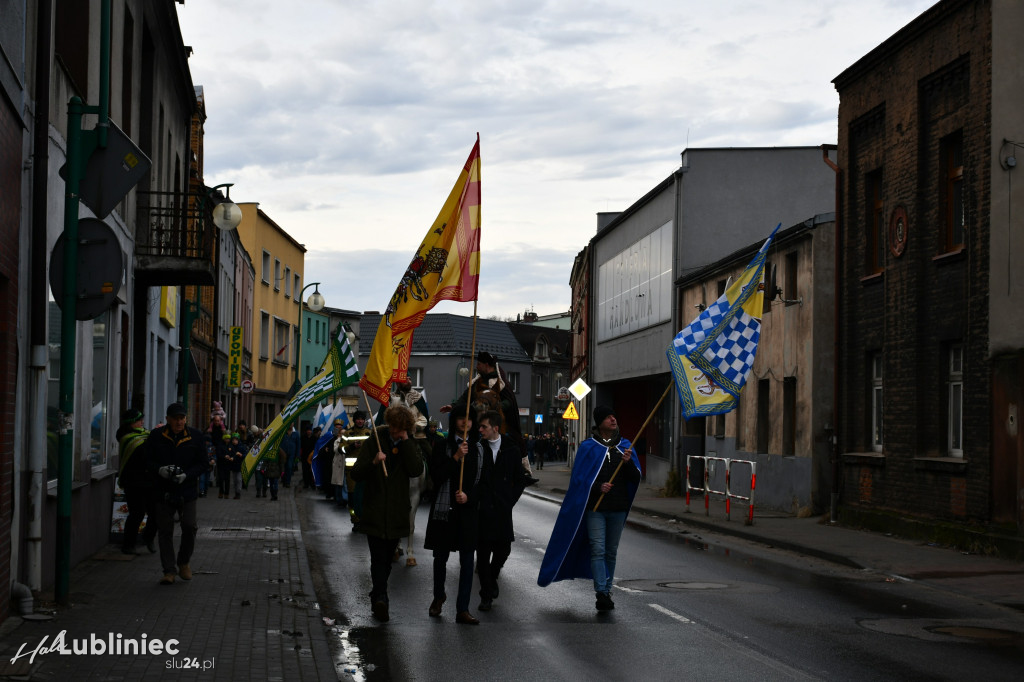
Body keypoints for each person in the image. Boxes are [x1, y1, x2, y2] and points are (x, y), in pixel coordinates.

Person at [537, 405, 641, 611]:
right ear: (599, 422)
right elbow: (579, 480)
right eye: (608, 417)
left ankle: (607, 589)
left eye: (614, 416)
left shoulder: (626, 446)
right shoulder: (588, 447)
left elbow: (635, 478)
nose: (613, 419)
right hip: (596, 508)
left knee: (610, 551)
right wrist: (597, 486)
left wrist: (628, 463)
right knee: (598, 549)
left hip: (618, 507)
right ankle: (601, 592)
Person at [350, 405, 424, 622]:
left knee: (387, 560)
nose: (393, 431)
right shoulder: (377, 437)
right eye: (392, 426)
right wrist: (373, 461)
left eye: (398, 429)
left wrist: (406, 441)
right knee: (377, 558)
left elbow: (416, 469)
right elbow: (356, 472)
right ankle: (381, 597)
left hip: (397, 512)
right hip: (375, 509)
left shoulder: (408, 441)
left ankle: (378, 592)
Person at [425, 405, 483, 624]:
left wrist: (469, 497)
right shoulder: (442, 445)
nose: (465, 423)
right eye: (461, 418)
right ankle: (438, 597)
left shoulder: (478, 448)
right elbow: (436, 477)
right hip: (444, 512)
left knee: (467, 561)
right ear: (454, 421)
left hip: (467, 512)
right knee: (440, 558)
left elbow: (482, 483)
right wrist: (456, 458)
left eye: (469, 419)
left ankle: (463, 608)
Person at [146, 401, 208, 585]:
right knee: (165, 531)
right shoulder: (156, 436)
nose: (179, 422)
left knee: (189, 526)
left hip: (187, 490)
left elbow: (203, 463)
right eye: (175, 419)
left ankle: (184, 562)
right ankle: (169, 571)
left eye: (182, 418)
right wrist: (159, 470)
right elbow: (147, 460)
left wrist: (187, 475)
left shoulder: (195, 436)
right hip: (163, 491)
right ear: (168, 419)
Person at [475, 409, 531, 612]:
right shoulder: (478, 448)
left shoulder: (510, 449)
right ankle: (486, 595)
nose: (480, 430)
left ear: (495, 429)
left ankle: (492, 574)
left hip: (503, 509)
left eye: (484, 427)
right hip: (483, 509)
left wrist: (510, 500)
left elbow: (520, 479)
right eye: (479, 426)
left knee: (503, 550)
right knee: (482, 554)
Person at [116, 408, 157, 555]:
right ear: (131, 423)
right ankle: (128, 544)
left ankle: (148, 537)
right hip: (133, 482)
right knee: (136, 514)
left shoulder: (146, 434)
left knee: (156, 513)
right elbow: (144, 453)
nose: (142, 423)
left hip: (150, 481)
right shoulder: (126, 437)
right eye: (139, 420)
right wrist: (155, 436)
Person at [343, 411, 372, 527]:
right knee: (352, 498)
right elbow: (341, 450)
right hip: (351, 472)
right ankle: (355, 520)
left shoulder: (370, 433)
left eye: (362, 419)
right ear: (354, 420)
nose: (360, 421)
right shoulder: (347, 434)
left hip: (366, 471)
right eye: (358, 419)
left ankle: (365, 519)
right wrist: (351, 447)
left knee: (366, 496)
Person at [280, 424, 300, 488]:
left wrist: (297, 455)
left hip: (292, 454)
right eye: (289, 423)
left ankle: (288, 482)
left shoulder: (296, 433)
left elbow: (298, 445)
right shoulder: (283, 432)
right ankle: (283, 480)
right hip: (283, 453)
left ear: (293, 424)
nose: (290, 425)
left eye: (291, 424)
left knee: (289, 467)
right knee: (283, 467)